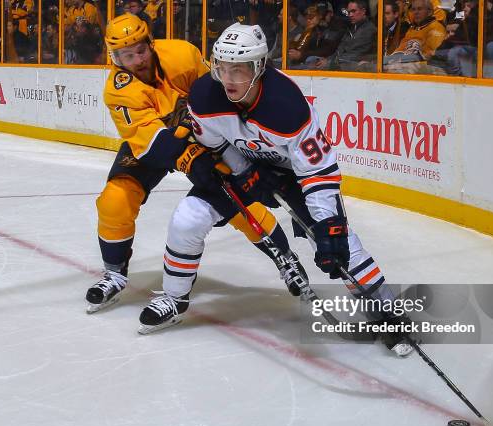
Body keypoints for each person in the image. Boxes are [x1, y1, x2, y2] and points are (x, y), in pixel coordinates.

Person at [139, 22, 413, 357]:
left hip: (294, 175)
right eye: (222, 68)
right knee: (187, 218)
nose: (228, 80)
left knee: (340, 243)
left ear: (259, 67)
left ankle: (388, 314)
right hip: (245, 167)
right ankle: (174, 297)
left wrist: (327, 225)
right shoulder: (204, 95)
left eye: (238, 70)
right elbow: (216, 144)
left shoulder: (288, 107)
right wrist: (246, 171)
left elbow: (318, 171)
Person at [86, 14, 306, 315]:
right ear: (115, 58)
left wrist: (221, 141)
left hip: (206, 133)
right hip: (155, 144)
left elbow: (216, 94)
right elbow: (147, 139)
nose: (137, 60)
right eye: (127, 55)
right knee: (114, 200)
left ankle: (284, 256)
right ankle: (114, 272)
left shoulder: (182, 54)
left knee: (234, 195)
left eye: (140, 50)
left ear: (151, 43)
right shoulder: (117, 90)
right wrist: (187, 157)